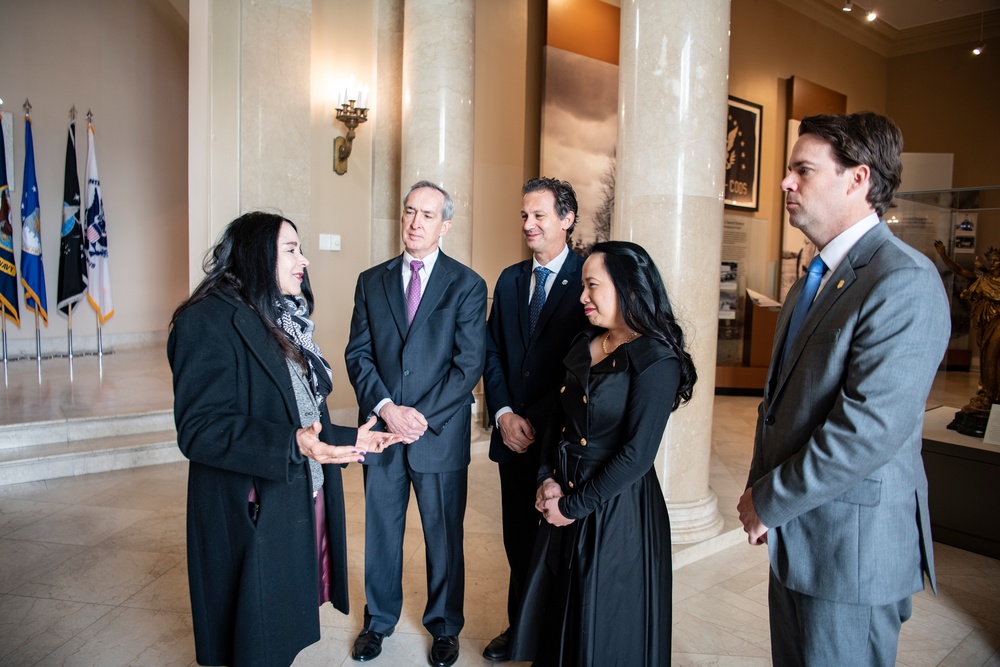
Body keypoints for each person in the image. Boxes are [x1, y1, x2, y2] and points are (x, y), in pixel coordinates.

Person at [738, 112, 951, 666]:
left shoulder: (902, 279)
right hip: (798, 534)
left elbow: (866, 431)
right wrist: (767, 498)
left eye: (802, 170)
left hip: (851, 553)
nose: (785, 183)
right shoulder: (814, 277)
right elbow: (782, 406)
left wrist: (768, 499)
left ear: (857, 179)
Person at [167, 211, 399, 667]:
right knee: (255, 634)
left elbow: (301, 414)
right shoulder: (207, 320)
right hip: (250, 506)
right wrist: (292, 443)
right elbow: (199, 429)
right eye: (291, 250)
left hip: (292, 493)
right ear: (257, 255)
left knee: (280, 627)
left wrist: (353, 439)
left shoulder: (282, 316)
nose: (304, 260)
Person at [509, 240, 697, 666]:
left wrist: (572, 506)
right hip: (563, 494)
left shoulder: (656, 359)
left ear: (628, 288)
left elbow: (637, 455)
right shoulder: (585, 341)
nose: (582, 297)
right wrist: (545, 479)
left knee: (604, 625)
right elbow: (556, 421)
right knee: (559, 618)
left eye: (592, 286)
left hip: (615, 510)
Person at [344, 181, 487, 667]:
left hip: (438, 435)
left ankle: (445, 626)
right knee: (381, 530)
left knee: (443, 535)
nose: (415, 222)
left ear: (445, 225)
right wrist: (387, 409)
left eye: (427, 215)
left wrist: (419, 417)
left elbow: (468, 366)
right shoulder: (371, 280)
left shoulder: (467, 285)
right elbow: (358, 354)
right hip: (383, 433)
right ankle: (378, 621)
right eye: (409, 212)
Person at [481, 178, 589, 662]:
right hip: (512, 437)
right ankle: (518, 628)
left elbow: (584, 364)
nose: (528, 224)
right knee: (517, 539)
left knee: (559, 541)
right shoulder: (507, 279)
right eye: (524, 215)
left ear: (566, 219)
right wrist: (504, 414)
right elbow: (493, 352)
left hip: (562, 438)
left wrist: (534, 418)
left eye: (539, 215)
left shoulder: (590, 277)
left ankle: (554, 635)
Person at [933, 240, 1000, 413]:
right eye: (990, 260)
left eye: (996, 260)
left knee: (992, 358)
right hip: (985, 326)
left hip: (998, 327)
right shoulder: (983, 280)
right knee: (986, 358)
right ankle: (986, 394)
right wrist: (943, 255)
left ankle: (990, 395)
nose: (992, 263)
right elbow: (959, 270)